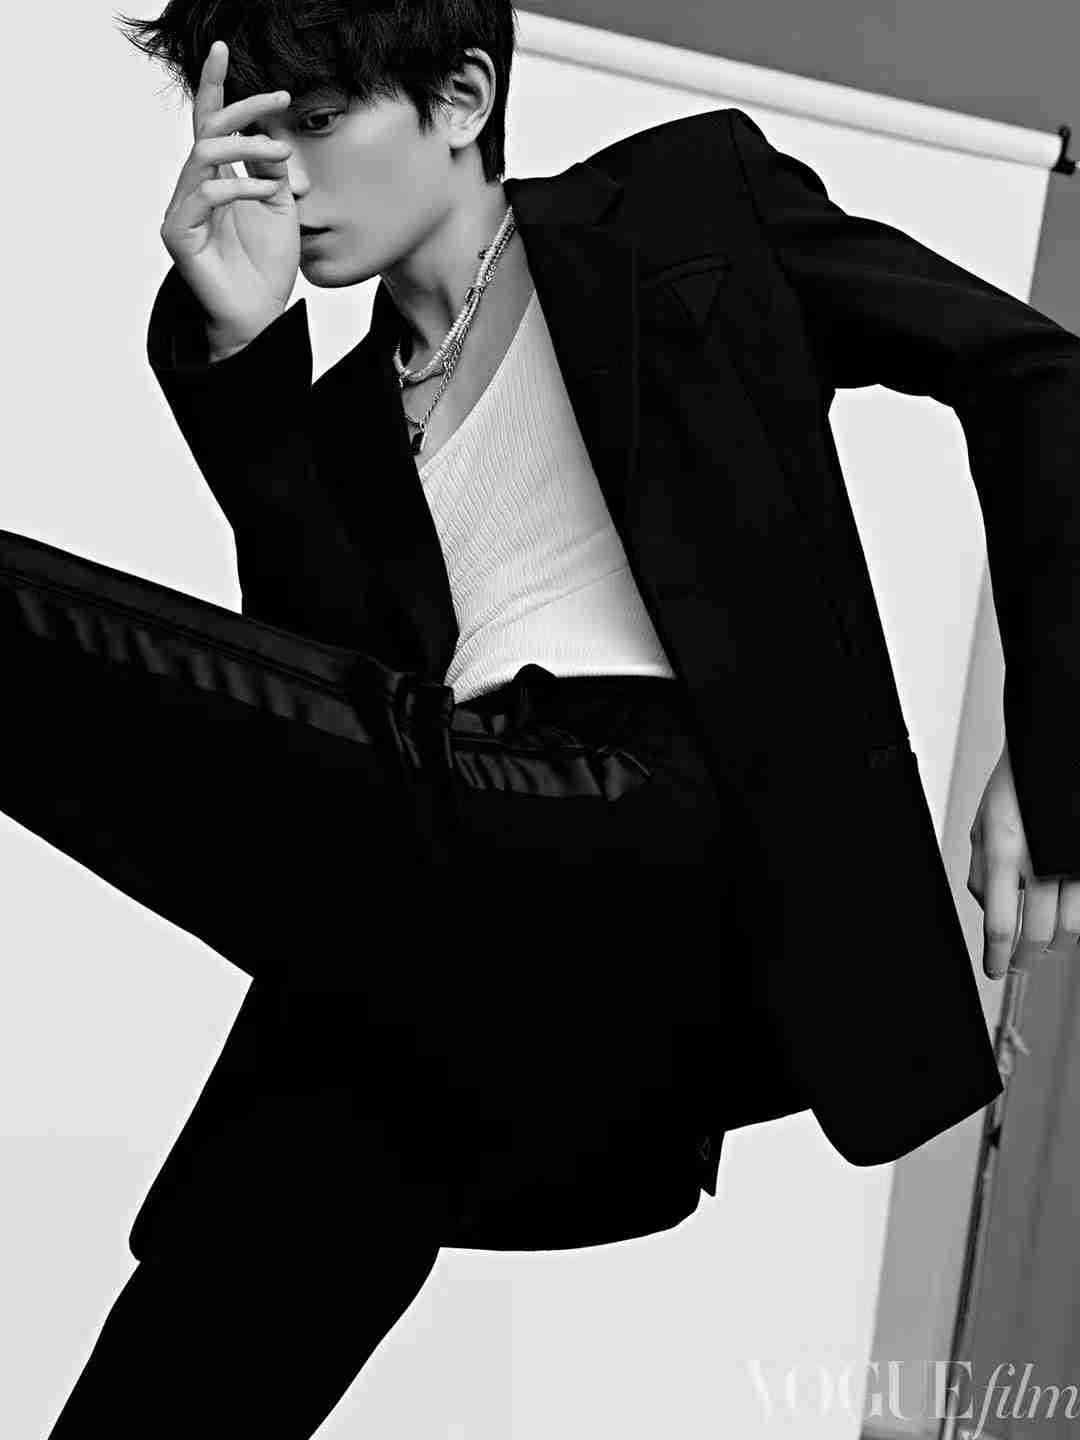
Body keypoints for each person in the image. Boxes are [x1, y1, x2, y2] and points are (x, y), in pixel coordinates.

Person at [30, 0, 1080, 1435]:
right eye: (254, 144)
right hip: (464, 916)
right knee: (225, 1282)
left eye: (317, 125)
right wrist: (243, 349)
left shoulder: (685, 210)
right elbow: (312, 760)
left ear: (463, 97)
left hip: (657, 840)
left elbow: (1038, 377)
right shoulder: (335, 430)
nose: (285, 180)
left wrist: (1055, 734)